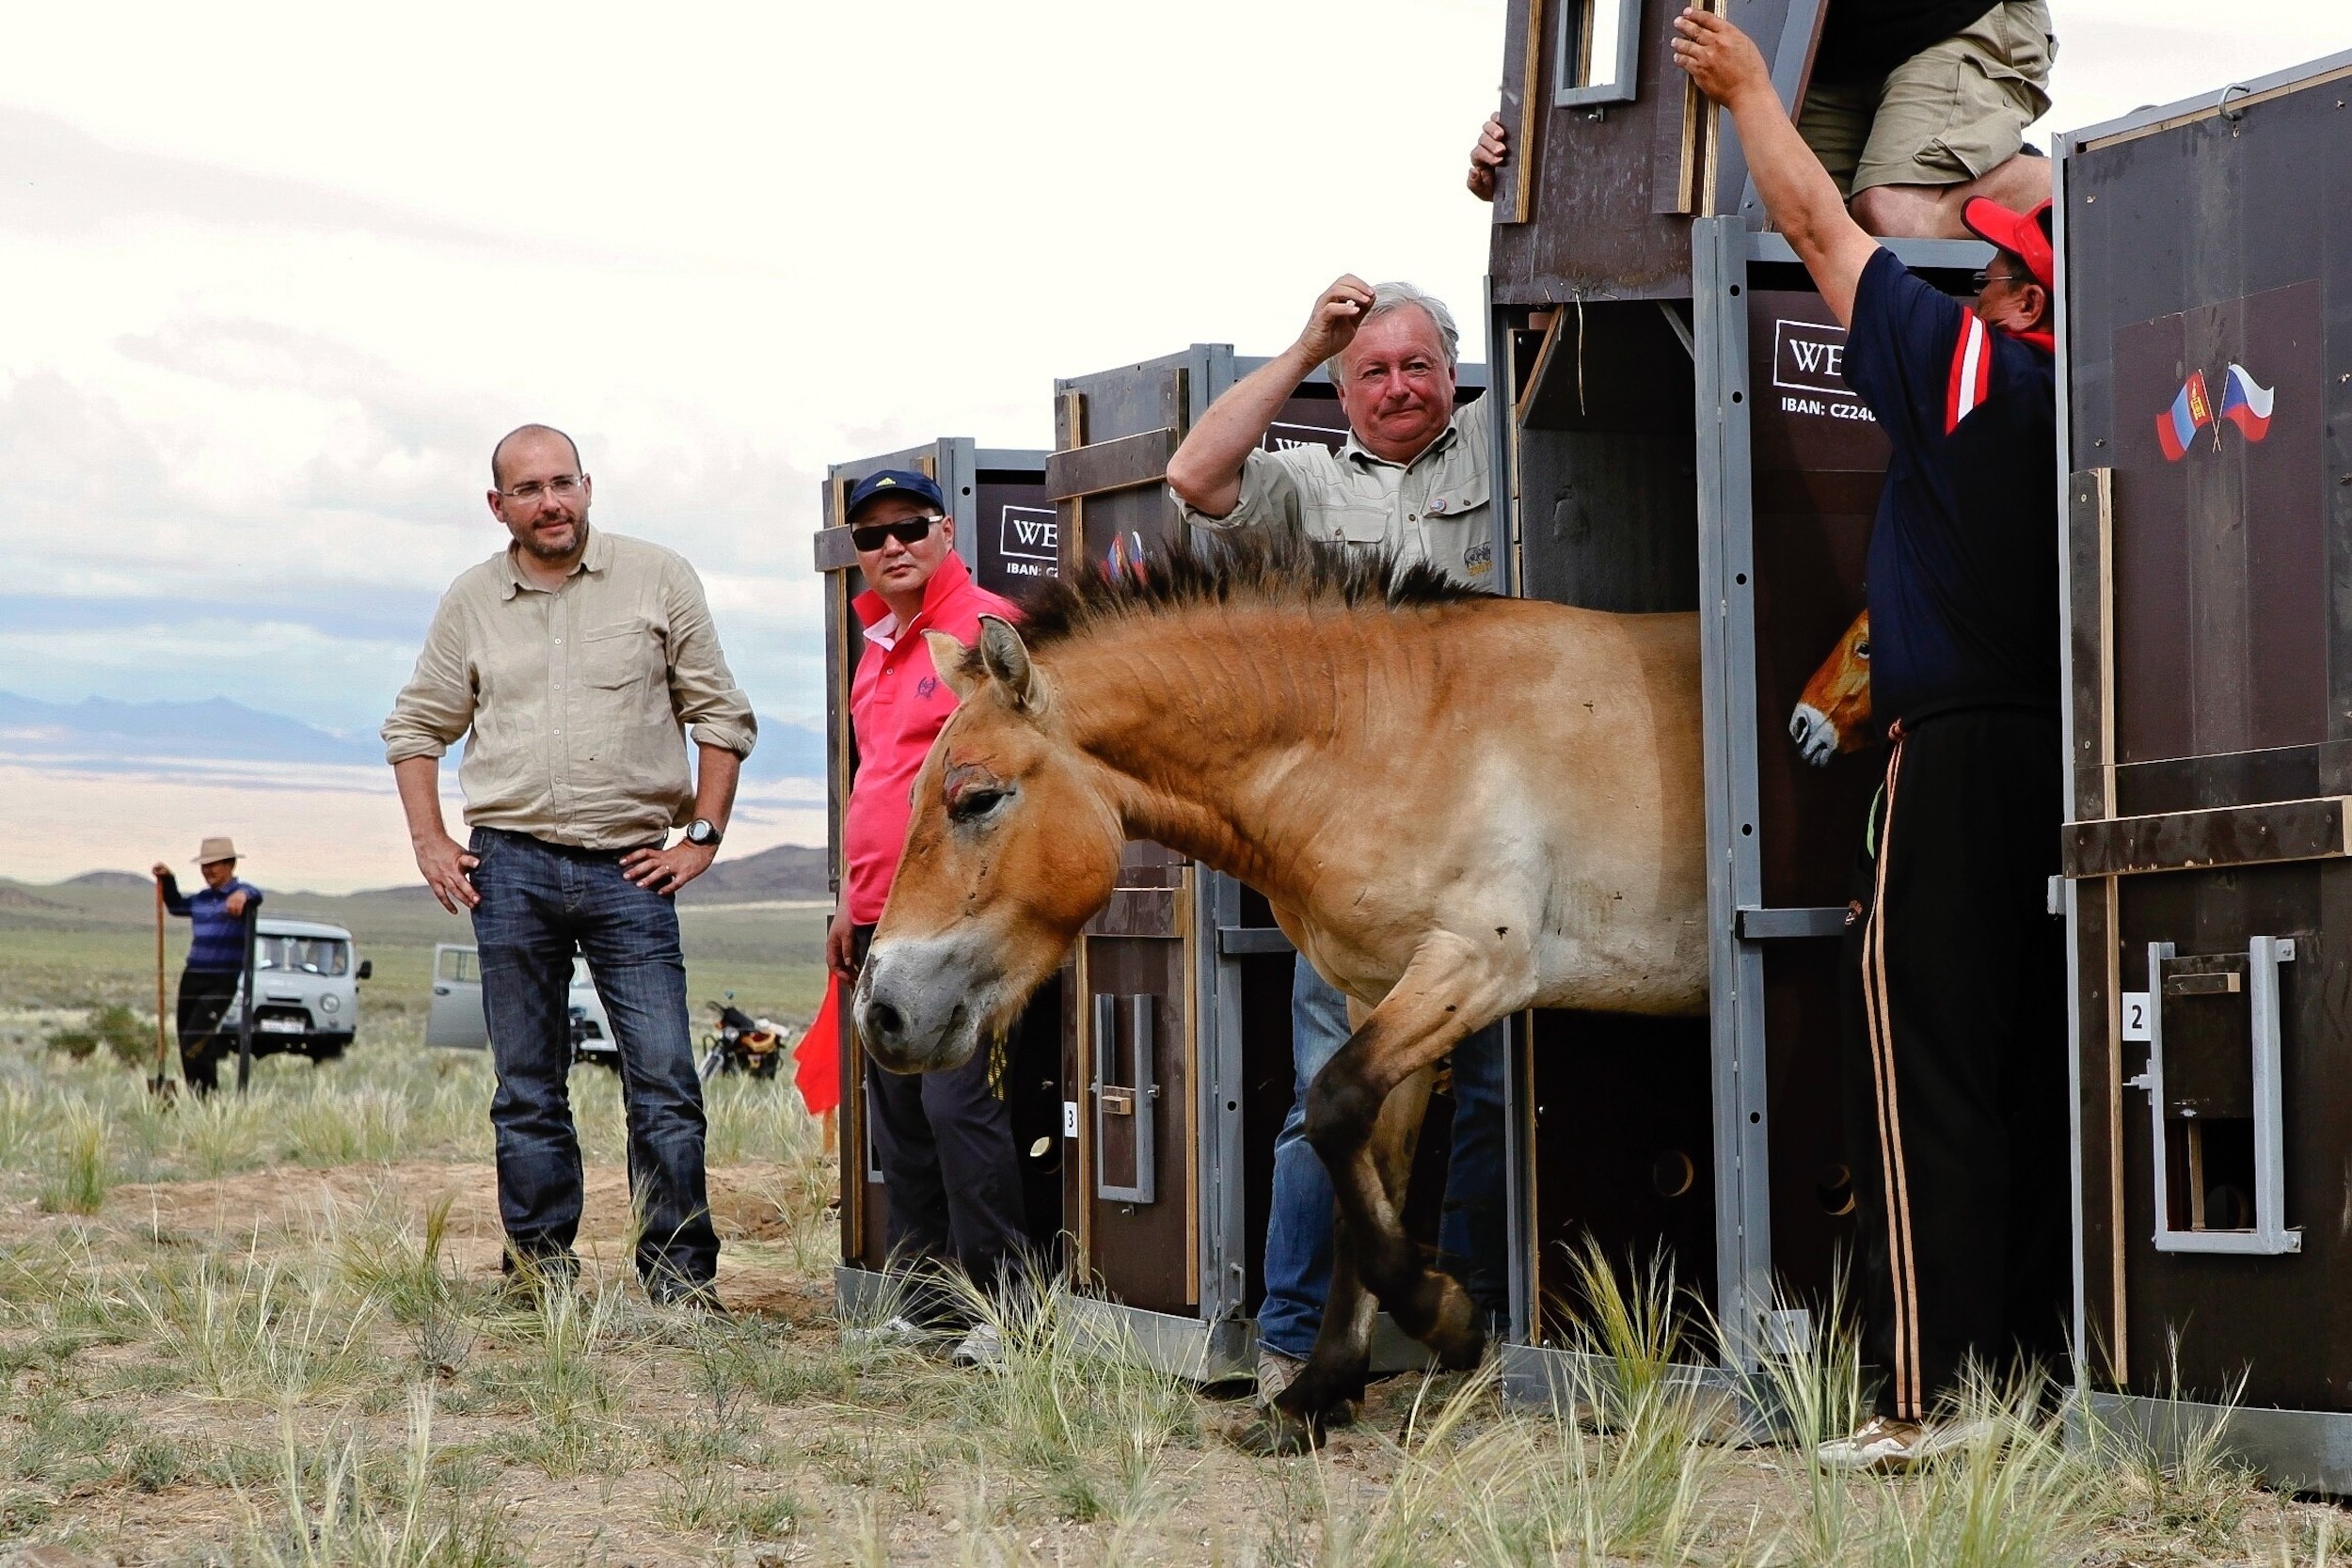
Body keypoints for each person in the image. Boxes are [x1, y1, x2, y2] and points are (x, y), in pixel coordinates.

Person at [1677, 8, 2067, 1468]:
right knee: (2021, 1078)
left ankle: (1926, 1398)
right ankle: (2020, 1383)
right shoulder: (2074, 411)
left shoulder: (1975, 380)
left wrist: (1745, 88)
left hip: (1952, 756)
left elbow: (1814, 224)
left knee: (1919, 1081)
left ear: (2014, 306)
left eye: (1984, 281)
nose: (1960, 292)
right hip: (2050, 761)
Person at [1164, 277, 1509, 1416]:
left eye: (1417, 366)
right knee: (1331, 1089)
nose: (1398, 387)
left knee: (1498, 1086)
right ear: (1340, 388)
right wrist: (1309, 337)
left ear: (1453, 371)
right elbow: (1194, 477)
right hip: (1351, 841)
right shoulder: (1306, 479)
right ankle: (1292, 1327)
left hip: (1492, 827)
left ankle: (1456, 1322)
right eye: (1371, 370)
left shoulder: (1505, 443)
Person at [382, 423, 755, 1308]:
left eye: (562, 483)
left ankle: (678, 1280)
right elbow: (415, 727)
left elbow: (722, 716)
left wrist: (699, 839)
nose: (550, 503)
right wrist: (431, 841)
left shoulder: (659, 578)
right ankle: (540, 1274)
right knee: (526, 1086)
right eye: (528, 489)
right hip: (507, 869)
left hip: (631, 870)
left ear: (588, 484)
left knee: (664, 1079)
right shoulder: (471, 600)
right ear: (497, 505)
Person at [824, 468, 1030, 1369]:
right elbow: (874, 784)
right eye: (872, 537)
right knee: (899, 1108)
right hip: (881, 916)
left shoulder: (986, 633)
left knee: (959, 1104)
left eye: (909, 527)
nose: (892, 546)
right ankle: (930, 1299)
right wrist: (848, 899)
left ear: (946, 530)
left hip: (957, 922)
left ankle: (1007, 1306)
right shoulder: (877, 642)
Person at [1469, 1, 2054, 239]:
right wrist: (1533, 162)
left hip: (1955, 16)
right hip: (1821, 47)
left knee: (1894, 210)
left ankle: (2087, 182)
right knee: (1781, 231)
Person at [151, 836, 262, 1096]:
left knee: (195, 1038)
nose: (208, 871)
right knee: (187, 1040)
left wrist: (243, 894)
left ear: (230, 864)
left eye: (214, 865)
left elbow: (257, 895)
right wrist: (168, 880)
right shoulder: (201, 899)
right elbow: (177, 906)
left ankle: (208, 1097)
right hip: (193, 976)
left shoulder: (242, 895)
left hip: (222, 979)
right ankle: (202, 1100)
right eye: (204, 866)